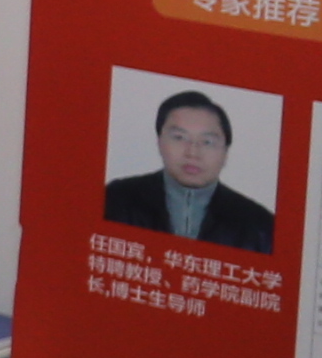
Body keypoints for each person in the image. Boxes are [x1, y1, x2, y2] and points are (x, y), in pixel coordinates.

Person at [106, 89, 276, 253]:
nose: (193, 153)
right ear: (159, 142)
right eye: (180, 138)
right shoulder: (116, 199)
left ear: (225, 152)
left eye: (207, 142)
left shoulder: (261, 226)